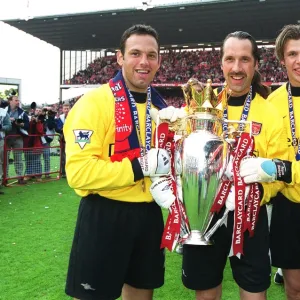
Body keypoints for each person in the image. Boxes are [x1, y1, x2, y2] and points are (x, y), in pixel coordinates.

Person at [152, 31, 287, 300]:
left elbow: (279, 171)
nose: (237, 68)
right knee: (206, 292)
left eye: (245, 59)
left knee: (254, 293)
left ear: (256, 64)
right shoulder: (200, 107)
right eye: (230, 59)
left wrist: (255, 192)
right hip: (202, 211)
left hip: (249, 217)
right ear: (221, 63)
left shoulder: (270, 113)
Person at [64, 24, 171, 300]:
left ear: (159, 60)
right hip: (104, 214)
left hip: (148, 216)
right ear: (120, 57)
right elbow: (79, 173)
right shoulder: (93, 103)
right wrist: (140, 166)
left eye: (152, 55)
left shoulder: (162, 110)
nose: (144, 62)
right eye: (135, 53)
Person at [240, 24, 300, 300]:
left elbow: (279, 167)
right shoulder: (271, 103)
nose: (299, 60)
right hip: (289, 208)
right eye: (292, 54)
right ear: (282, 59)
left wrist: (287, 170)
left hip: (289, 181)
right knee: (295, 287)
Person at [6, 95, 29, 185]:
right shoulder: (3, 111)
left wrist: (21, 124)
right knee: (4, 159)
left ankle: (20, 177)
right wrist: (8, 120)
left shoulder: (22, 112)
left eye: (18, 100)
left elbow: (27, 125)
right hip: (6, 138)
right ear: (10, 101)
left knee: (18, 159)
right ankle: (5, 177)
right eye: (16, 100)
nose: (18, 102)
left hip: (18, 138)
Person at [0, 99, 12, 193]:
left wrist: (2, 127)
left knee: (0, 162)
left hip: (0, 139)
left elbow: (9, 126)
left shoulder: (4, 113)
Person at [56, 101, 70, 178]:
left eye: (67, 108)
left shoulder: (73, 116)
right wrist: (64, 128)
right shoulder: (60, 118)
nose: (66, 110)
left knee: (69, 156)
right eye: (65, 108)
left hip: (70, 139)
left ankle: (69, 172)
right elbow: (57, 128)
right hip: (62, 139)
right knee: (63, 156)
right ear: (62, 109)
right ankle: (63, 172)